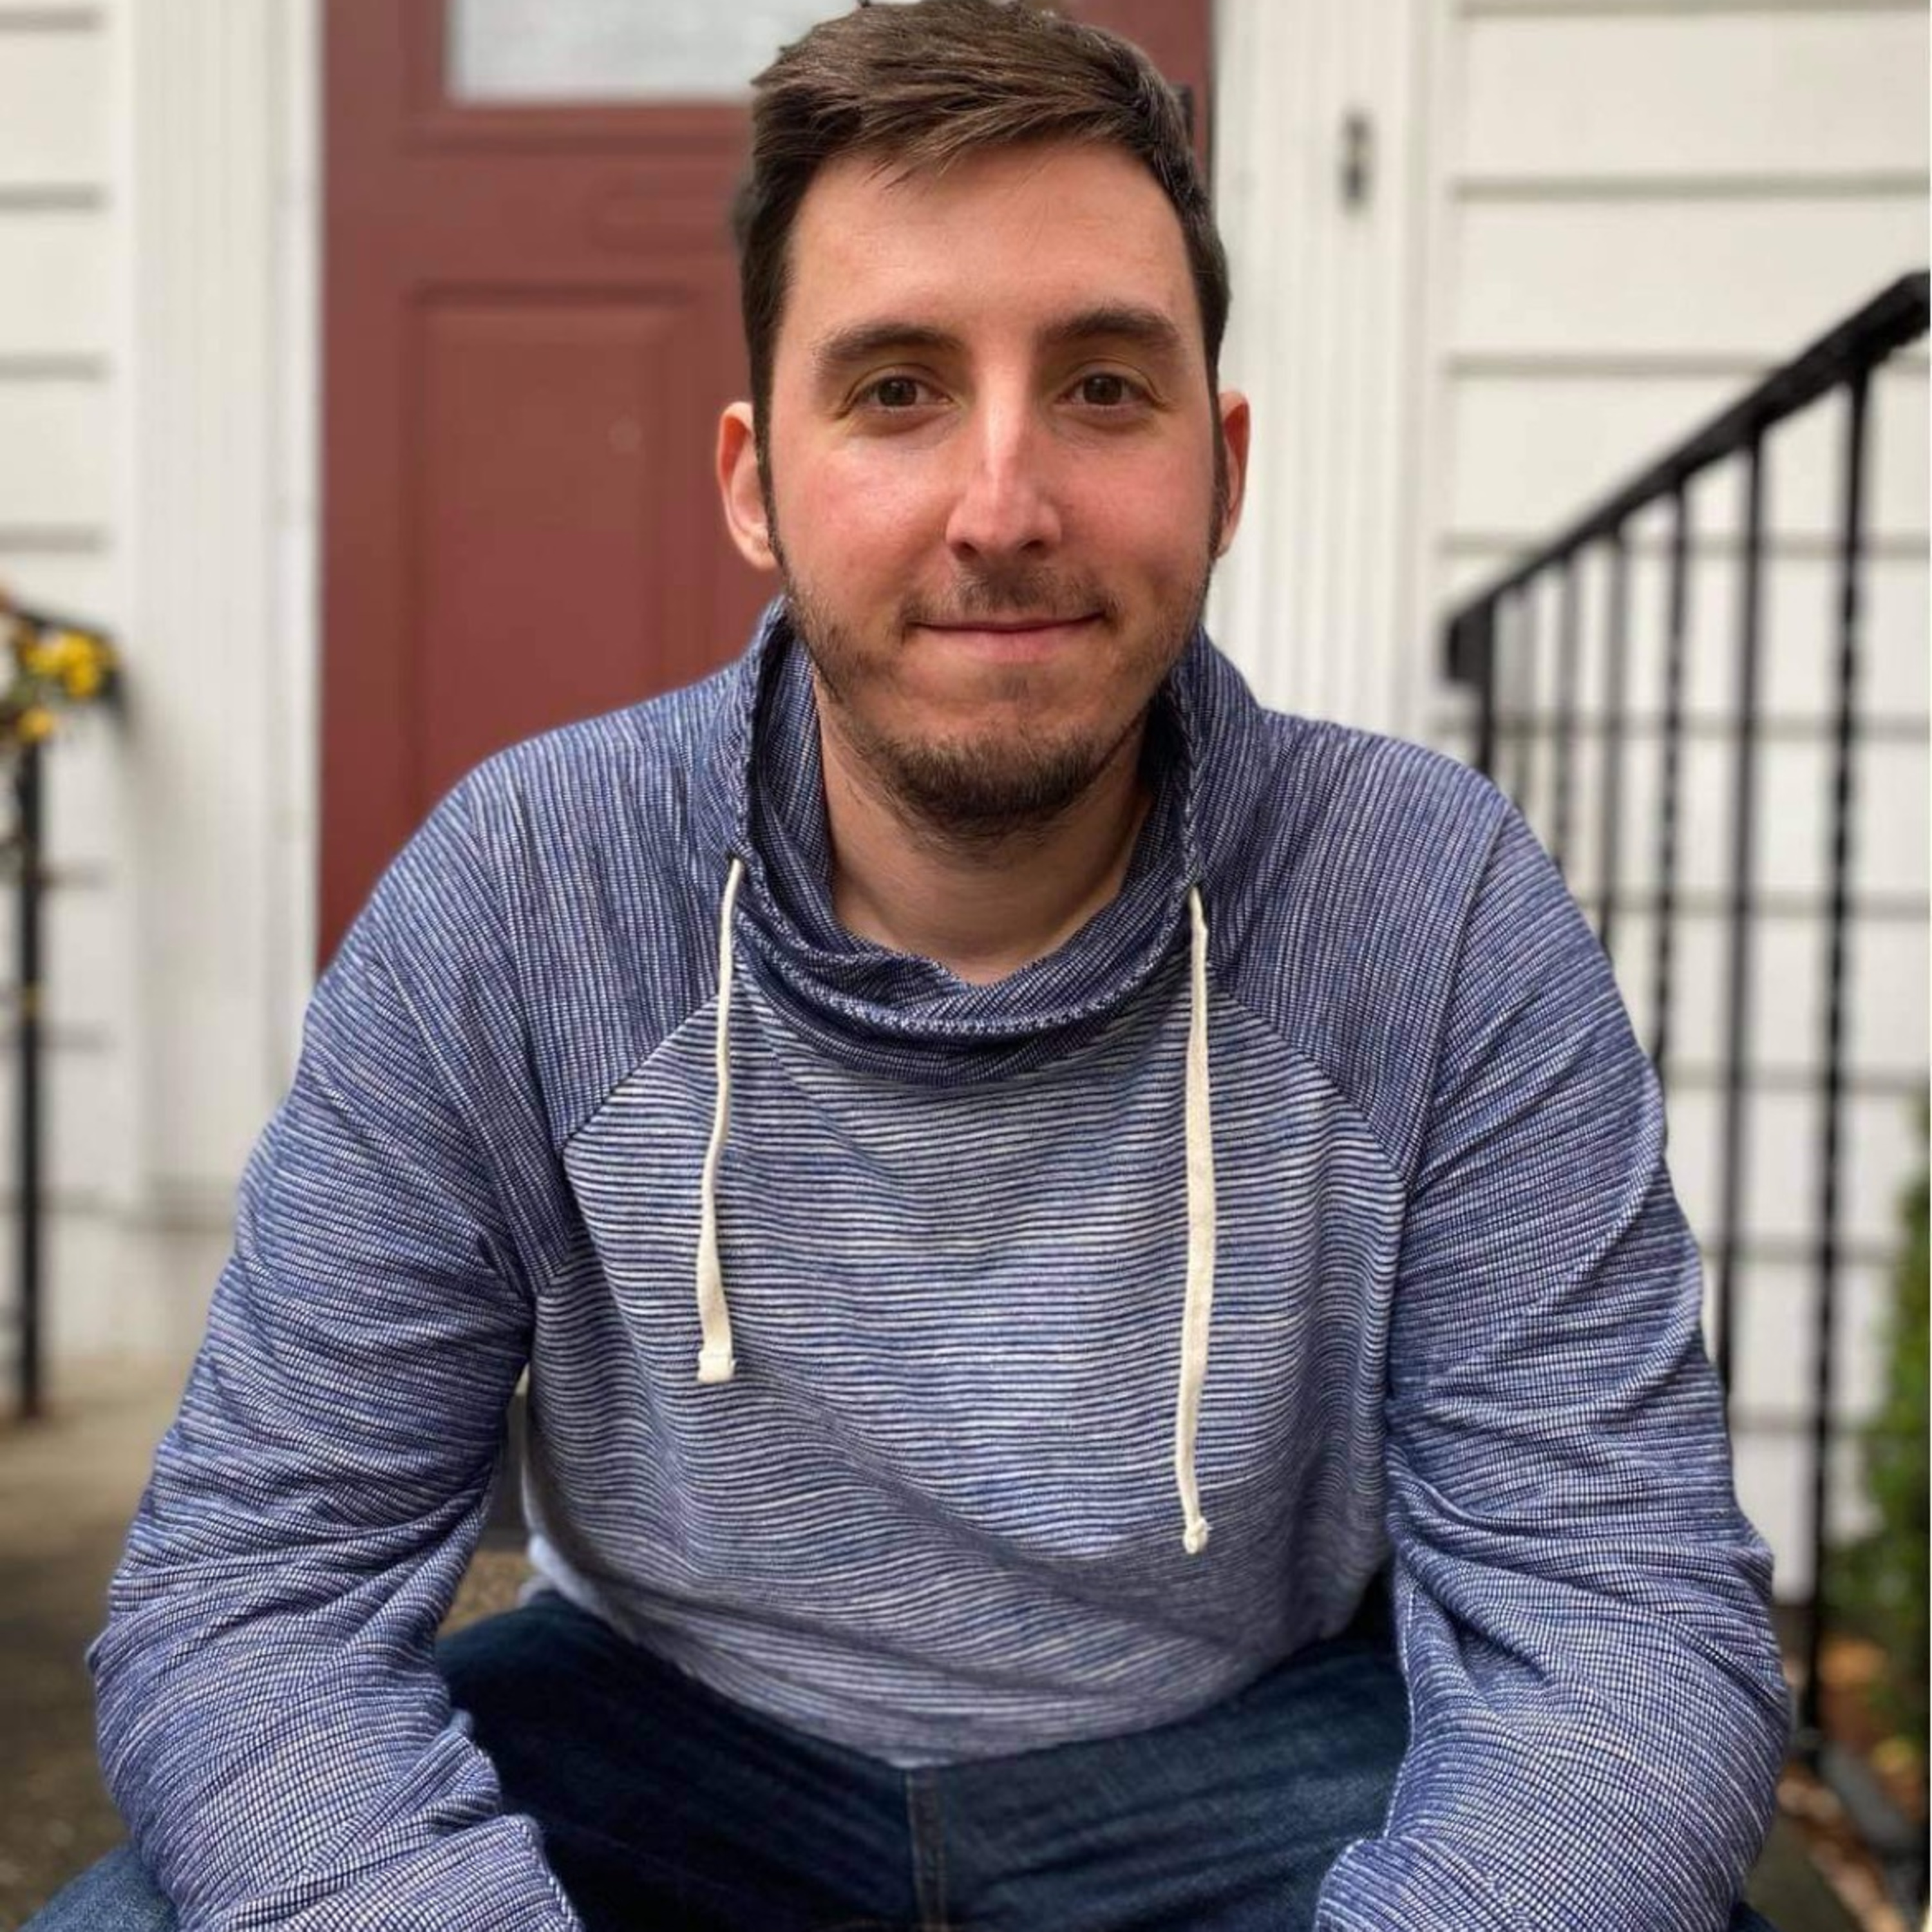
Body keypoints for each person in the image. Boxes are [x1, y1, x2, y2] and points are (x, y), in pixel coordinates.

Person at [34, 3, 1792, 1927]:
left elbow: (1624, 1620)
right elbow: (251, 1591)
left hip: (1244, 1759)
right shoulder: (526, 890)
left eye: (1103, 387)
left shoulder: (1428, 907)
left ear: (1223, 468)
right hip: (670, 1740)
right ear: (753, 483)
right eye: (896, 390)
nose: (1003, 507)